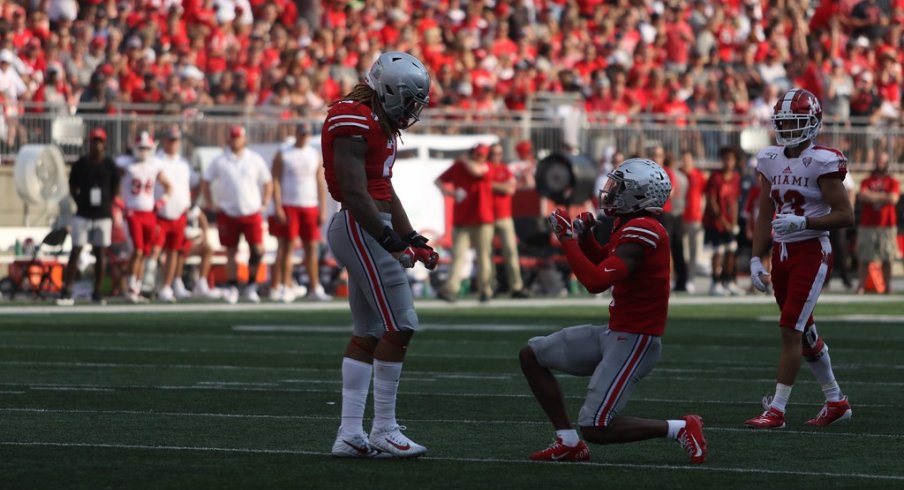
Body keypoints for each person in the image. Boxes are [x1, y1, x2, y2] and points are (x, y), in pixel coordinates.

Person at [519, 158, 706, 464]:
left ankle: (680, 427)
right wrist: (586, 238)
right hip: (615, 333)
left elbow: (596, 281)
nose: (610, 191)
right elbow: (607, 260)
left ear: (640, 194)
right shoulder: (632, 225)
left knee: (596, 427)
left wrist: (567, 241)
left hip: (635, 340)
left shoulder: (644, 230)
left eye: (619, 187)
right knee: (531, 355)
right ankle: (567, 442)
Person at [323, 51, 437, 458]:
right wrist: (389, 239)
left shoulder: (378, 123)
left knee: (370, 332)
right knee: (401, 323)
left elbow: (384, 188)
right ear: (389, 89)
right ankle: (383, 429)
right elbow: (355, 193)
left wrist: (413, 237)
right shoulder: (351, 116)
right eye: (409, 100)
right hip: (360, 225)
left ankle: (350, 434)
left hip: (368, 224)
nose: (412, 110)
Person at [747, 88, 854, 429]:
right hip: (781, 252)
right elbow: (764, 213)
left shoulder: (823, 160)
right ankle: (836, 401)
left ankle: (776, 410)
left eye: (797, 122)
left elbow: (845, 214)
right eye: (785, 122)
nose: (790, 129)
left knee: (790, 331)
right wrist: (755, 258)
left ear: (813, 123)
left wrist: (805, 221)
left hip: (811, 250)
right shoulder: (769, 158)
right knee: (804, 332)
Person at [201, 125, 272, 304]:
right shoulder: (220, 160)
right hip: (228, 211)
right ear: (228, 139)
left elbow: (267, 181)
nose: (235, 140)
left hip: (251, 211)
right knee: (231, 251)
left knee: (256, 250)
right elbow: (206, 180)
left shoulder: (254, 159)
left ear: (244, 139)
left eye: (238, 137)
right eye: (233, 137)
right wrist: (210, 203)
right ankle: (233, 285)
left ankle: (251, 285)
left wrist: (264, 202)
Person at [57, 128, 119, 305]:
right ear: (89, 143)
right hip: (83, 213)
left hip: (102, 214)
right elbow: (72, 185)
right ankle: (67, 289)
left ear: (104, 144)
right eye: (94, 141)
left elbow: (116, 185)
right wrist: (79, 201)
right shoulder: (81, 164)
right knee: (76, 250)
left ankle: (97, 291)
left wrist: (109, 203)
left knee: (100, 252)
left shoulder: (109, 165)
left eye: (99, 141)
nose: (97, 145)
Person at [270, 122, 331, 302]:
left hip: (309, 204)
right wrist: (278, 205)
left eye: (306, 134)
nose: (304, 137)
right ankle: (286, 285)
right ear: (296, 134)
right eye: (301, 133)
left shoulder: (314, 154)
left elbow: (320, 181)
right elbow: (276, 180)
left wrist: (323, 208)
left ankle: (315, 286)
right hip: (290, 204)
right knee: (288, 247)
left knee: (312, 247)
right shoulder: (285, 154)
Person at [435, 144, 495, 302]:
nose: (479, 157)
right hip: (462, 220)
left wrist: (463, 160)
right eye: (477, 154)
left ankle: (485, 290)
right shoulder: (460, 166)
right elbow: (438, 181)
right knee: (458, 256)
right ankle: (450, 289)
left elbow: (476, 171)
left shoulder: (486, 167)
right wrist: (450, 192)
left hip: (482, 219)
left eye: (481, 155)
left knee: (483, 257)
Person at [118, 131, 171, 304]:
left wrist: (161, 203)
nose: (143, 151)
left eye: (147, 148)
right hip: (133, 213)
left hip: (149, 213)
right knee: (137, 250)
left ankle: (137, 286)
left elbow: (169, 186)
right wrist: (121, 205)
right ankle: (131, 285)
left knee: (145, 253)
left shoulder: (155, 165)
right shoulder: (125, 165)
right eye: (140, 148)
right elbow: (113, 187)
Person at [154, 127, 197, 303]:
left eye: (176, 140)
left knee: (174, 251)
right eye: (171, 140)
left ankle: (166, 286)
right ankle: (148, 284)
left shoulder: (183, 163)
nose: (173, 144)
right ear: (164, 141)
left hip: (179, 213)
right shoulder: (156, 161)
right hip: (159, 213)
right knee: (153, 251)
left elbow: (194, 183)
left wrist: (190, 204)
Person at [488, 142, 528, 298]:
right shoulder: (486, 168)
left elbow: (510, 188)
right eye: (493, 154)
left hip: (504, 216)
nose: (496, 157)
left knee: (511, 252)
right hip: (488, 217)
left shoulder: (504, 169)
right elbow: (505, 187)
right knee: (487, 255)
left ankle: (516, 287)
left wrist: (491, 185)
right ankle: (490, 287)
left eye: (498, 154)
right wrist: (501, 186)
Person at [856, 152, 899, 294]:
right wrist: (883, 197)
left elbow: (893, 199)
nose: (880, 164)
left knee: (888, 258)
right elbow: (862, 195)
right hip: (867, 224)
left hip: (887, 225)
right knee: (864, 257)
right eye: (879, 161)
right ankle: (861, 286)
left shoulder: (893, 181)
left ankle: (888, 286)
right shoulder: (867, 180)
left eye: (883, 161)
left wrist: (872, 197)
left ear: (887, 163)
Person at [703, 146, 742, 296]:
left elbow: (734, 201)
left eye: (731, 159)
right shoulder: (715, 177)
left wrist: (734, 222)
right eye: (725, 158)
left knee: (732, 249)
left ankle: (728, 281)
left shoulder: (736, 177)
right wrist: (723, 221)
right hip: (715, 222)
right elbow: (711, 201)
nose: (728, 162)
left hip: (729, 222)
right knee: (717, 251)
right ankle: (715, 282)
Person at [681, 149, 706, 292]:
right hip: (681, 216)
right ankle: (682, 278)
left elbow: (704, 195)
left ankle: (690, 278)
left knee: (693, 251)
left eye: (688, 159)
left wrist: (701, 213)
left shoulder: (698, 176)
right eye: (684, 159)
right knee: (681, 251)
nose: (686, 162)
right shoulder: (680, 174)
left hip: (694, 217)